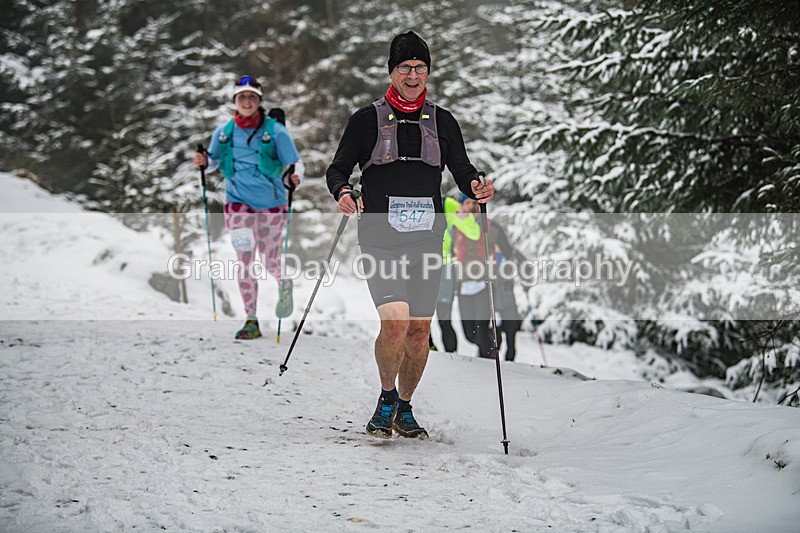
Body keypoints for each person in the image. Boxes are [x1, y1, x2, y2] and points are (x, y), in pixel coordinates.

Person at [326, 31, 494, 439]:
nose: (414, 75)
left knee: (421, 331)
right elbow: (337, 169)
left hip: (426, 240)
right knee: (396, 323)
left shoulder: (443, 121)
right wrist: (343, 192)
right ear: (392, 71)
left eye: (420, 68)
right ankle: (385, 399)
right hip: (380, 237)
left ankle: (404, 407)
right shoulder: (366, 120)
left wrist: (477, 186)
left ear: (428, 73)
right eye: (405, 67)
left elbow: (463, 170)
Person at [193, 76, 304, 340]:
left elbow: (296, 164)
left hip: (272, 205)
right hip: (237, 203)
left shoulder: (276, 131)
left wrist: (294, 178)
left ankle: (283, 283)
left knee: (268, 259)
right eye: (241, 97)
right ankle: (251, 320)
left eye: (252, 97)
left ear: (259, 101)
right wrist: (203, 161)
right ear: (234, 101)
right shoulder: (224, 132)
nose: (246, 101)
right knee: (245, 260)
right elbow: (212, 163)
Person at [453, 195, 516, 359]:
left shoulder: (492, 227)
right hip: (463, 283)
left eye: (476, 203)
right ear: (461, 205)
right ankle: (493, 340)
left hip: (486, 283)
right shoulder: (454, 227)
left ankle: (487, 362)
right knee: (469, 334)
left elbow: (508, 253)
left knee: (480, 330)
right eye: (468, 203)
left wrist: (508, 276)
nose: (472, 206)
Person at [436, 194, 480, 352]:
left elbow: (474, 232)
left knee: (443, 316)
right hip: (415, 266)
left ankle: (450, 354)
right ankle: (428, 347)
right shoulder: (406, 200)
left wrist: (464, 218)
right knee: (416, 315)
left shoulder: (446, 204)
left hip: (444, 268)